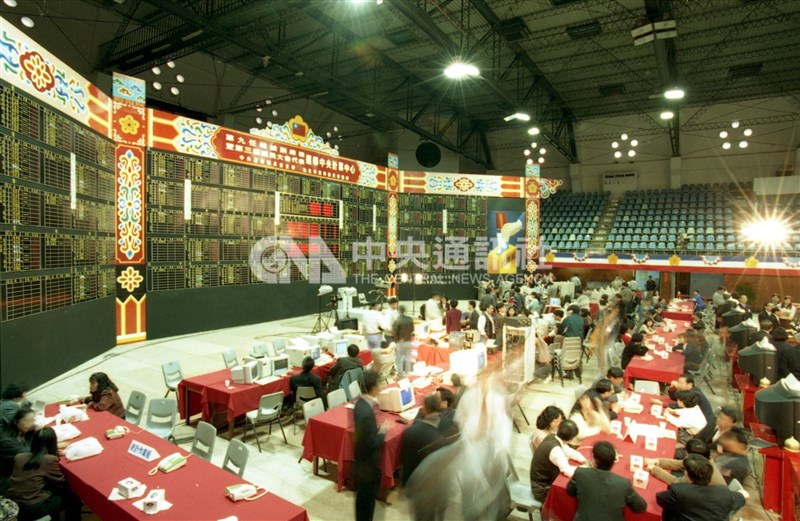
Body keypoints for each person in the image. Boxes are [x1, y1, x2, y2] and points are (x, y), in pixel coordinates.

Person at [6, 427, 81, 521]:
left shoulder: (19, 456)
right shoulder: (49, 460)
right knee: (73, 499)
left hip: (14, 502)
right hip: (33, 505)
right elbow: (60, 481)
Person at [567, 440, 646, 520]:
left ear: (593, 458)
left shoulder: (580, 473)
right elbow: (641, 507)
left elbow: (570, 491)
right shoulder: (623, 484)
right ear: (614, 461)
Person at [656, 455, 747, 521]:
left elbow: (660, 498)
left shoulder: (679, 491)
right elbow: (745, 495)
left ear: (687, 475)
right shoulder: (724, 492)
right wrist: (741, 492)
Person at [353, 370, 391, 521]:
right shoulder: (366, 413)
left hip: (362, 462)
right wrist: (382, 432)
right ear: (374, 388)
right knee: (366, 503)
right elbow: (371, 444)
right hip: (366, 466)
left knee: (363, 501)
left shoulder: (360, 404)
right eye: (379, 385)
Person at [529, 419, 585, 502]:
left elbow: (568, 451)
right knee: (575, 494)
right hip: (542, 490)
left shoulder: (552, 436)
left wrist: (584, 460)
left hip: (541, 482)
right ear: (571, 439)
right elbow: (567, 471)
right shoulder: (556, 450)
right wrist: (583, 469)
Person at [401, 394, 445, 487]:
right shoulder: (445, 427)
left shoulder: (410, 431)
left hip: (414, 481)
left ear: (427, 410)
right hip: (433, 483)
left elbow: (406, 460)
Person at [646, 438, 726, 486]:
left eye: (687, 454)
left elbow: (676, 482)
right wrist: (657, 461)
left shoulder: (701, 470)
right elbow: (680, 463)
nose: (685, 456)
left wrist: (654, 469)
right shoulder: (704, 458)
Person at [0, 408, 36, 494]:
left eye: (33, 420)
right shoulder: (6, 441)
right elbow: (28, 455)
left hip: (25, 470)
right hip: (11, 478)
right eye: (27, 421)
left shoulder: (26, 433)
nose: (31, 424)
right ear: (16, 422)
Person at [392, 305, 414, 379]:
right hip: (408, 341)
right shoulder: (410, 319)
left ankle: (400, 375)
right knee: (408, 358)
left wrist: (397, 340)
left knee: (399, 360)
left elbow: (394, 332)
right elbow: (412, 330)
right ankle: (408, 374)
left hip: (400, 342)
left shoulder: (397, 320)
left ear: (399, 311)